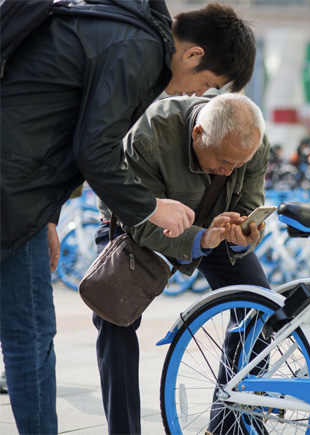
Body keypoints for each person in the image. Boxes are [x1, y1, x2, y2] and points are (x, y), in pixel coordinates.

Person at [0, 2, 256, 433]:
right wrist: (154, 206)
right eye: (206, 83)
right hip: (12, 189)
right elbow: (93, 151)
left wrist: (46, 217)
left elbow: (50, 127)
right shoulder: (137, 50)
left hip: (21, 192)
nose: (198, 95)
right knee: (31, 336)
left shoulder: (125, 31)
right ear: (192, 54)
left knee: (28, 334)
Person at [94, 93, 270, 435]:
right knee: (114, 320)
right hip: (135, 226)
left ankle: (228, 425)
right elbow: (139, 220)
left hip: (215, 227)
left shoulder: (251, 144)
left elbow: (249, 205)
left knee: (259, 308)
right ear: (198, 134)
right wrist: (199, 239)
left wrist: (244, 234)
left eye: (239, 163)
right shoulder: (148, 136)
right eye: (223, 161)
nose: (231, 170)